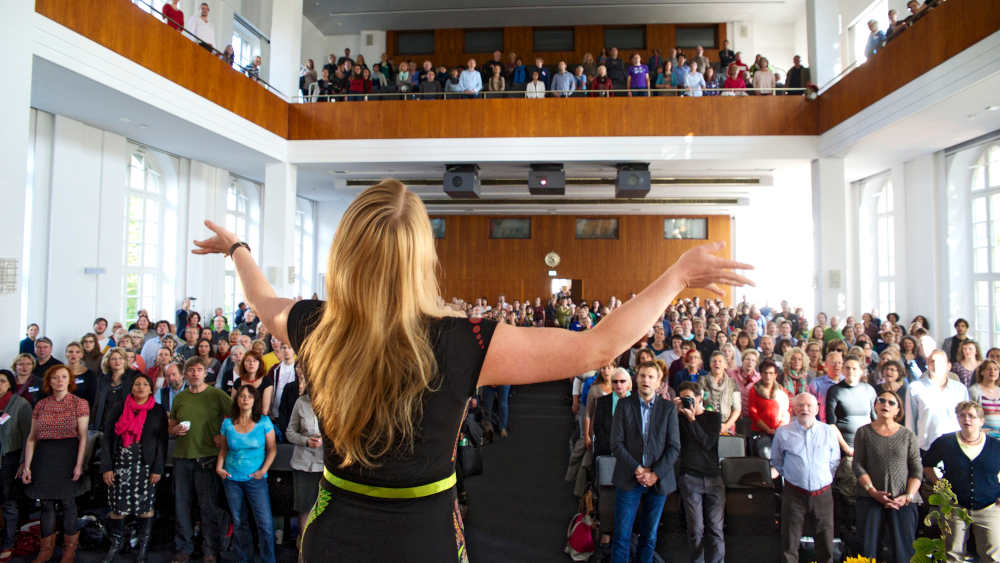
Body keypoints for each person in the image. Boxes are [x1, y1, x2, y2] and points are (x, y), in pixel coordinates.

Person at [190, 179, 751, 562]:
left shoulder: (317, 324)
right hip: (422, 537)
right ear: (421, 259)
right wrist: (677, 277)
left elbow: (262, 301)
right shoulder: (463, 340)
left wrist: (238, 249)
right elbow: (596, 348)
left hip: (333, 533)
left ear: (345, 255)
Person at [610, 361, 680, 563]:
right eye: (642, 376)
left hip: (658, 480)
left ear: (659, 382)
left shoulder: (668, 409)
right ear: (636, 379)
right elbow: (616, 444)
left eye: (651, 377)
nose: (646, 380)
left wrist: (655, 473)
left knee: (649, 537)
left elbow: (674, 447)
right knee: (621, 536)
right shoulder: (624, 405)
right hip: (629, 477)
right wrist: (638, 469)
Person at [22, 365, 89, 563]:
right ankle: (46, 550)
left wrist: (79, 464)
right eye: (55, 377)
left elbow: (83, 437)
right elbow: (31, 438)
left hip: (68, 455)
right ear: (49, 381)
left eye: (63, 377)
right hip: (44, 456)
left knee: (68, 503)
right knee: (46, 504)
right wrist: (27, 466)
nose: (59, 381)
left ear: (69, 380)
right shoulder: (41, 404)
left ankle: (69, 551)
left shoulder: (79, 403)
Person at [168, 357, 233, 563]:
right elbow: (171, 425)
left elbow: (235, 418)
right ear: (185, 374)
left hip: (208, 458)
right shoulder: (180, 398)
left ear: (205, 373)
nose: (195, 373)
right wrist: (174, 430)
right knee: (182, 507)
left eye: (199, 370)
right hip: (182, 458)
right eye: (191, 370)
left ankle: (210, 551)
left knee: (208, 507)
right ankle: (184, 549)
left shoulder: (217, 395)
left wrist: (223, 436)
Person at [99, 374, 168, 563]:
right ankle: (116, 544)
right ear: (131, 387)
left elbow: (161, 442)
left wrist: (158, 469)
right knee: (118, 507)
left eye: (145, 384)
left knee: (145, 507)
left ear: (151, 389)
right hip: (119, 464)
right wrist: (106, 467)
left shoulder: (157, 410)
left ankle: (143, 548)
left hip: (146, 466)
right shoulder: (118, 407)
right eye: (137, 384)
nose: (140, 387)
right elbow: (107, 438)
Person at [922, 401, 1000, 562]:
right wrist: (940, 486)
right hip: (955, 507)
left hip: (989, 507)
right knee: (953, 554)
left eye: (972, 416)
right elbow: (927, 464)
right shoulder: (945, 442)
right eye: (962, 415)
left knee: (993, 556)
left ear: (981, 421)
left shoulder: (995, 446)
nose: (967, 419)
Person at [852, 390, 921, 562]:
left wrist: (908, 496)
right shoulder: (863, 432)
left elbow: (916, 469)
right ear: (875, 405)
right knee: (867, 553)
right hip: (870, 499)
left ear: (898, 410)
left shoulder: (907, 435)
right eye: (881, 400)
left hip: (902, 501)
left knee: (903, 554)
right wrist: (873, 492)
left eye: (891, 403)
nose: (885, 405)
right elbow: (858, 465)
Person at [771, 393, 841, 563]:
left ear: (817, 409)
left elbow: (834, 461)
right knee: (790, 541)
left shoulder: (828, 432)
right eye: (800, 405)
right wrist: (796, 476)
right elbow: (777, 461)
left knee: (825, 541)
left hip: (823, 494)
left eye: (809, 405)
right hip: (794, 493)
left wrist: (821, 478)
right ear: (794, 409)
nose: (805, 409)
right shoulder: (783, 432)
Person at [217, 384, 277, 563]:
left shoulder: (264, 422)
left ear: (254, 400)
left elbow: (272, 449)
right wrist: (219, 468)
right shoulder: (228, 423)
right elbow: (223, 449)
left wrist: (263, 471)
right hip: (232, 479)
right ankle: (244, 559)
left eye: (249, 397)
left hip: (256, 480)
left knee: (265, 523)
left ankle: (268, 560)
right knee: (239, 522)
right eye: (242, 396)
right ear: (237, 399)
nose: (245, 399)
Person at [675, 381, 724, 563]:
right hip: (690, 477)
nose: (687, 402)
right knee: (695, 529)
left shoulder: (714, 417)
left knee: (715, 528)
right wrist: (673, 412)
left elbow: (707, 443)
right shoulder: (678, 419)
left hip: (713, 477)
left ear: (699, 397)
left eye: (689, 398)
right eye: (683, 399)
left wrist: (692, 420)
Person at [590, 368, 631, 556]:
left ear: (629, 384)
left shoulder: (637, 402)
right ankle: (606, 531)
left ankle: (625, 534)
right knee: (607, 497)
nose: (618, 385)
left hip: (631, 459)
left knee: (627, 498)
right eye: (615, 382)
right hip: (608, 455)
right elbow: (598, 429)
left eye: (622, 381)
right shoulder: (603, 402)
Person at [905, 349, 970, 452]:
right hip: (926, 447)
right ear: (927, 364)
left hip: (955, 446)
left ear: (948, 366)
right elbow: (910, 422)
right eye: (932, 361)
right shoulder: (915, 388)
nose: (936, 365)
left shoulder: (960, 389)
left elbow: (966, 418)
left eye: (940, 362)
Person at [0, 370, 32, 560]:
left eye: (2, 381)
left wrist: (23, 462)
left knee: (10, 503)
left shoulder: (21, 405)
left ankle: (9, 542)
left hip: (10, 460)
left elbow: (29, 436)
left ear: (10, 384)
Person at [285, 379, 323, 539]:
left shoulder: (333, 402)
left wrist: (325, 440)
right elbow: (290, 432)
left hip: (325, 464)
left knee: (325, 508)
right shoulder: (301, 402)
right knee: (304, 507)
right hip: (303, 463)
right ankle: (304, 545)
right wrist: (306, 441)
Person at [748, 360, 790, 458]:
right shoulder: (754, 390)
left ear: (775, 375)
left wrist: (778, 428)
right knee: (766, 455)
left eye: (771, 373)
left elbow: (786, 412)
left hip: (779, 431)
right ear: (761, 374)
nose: (768, 376)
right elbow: (753, 412)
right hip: (760, 432)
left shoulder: (782, 391)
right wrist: (767, 429)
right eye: (765, 373)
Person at [699, 351, 741, 434]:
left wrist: (726, 426)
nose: (717, 363)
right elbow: (698, 404)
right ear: (710, 364)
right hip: (706, 425)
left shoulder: (732, 383)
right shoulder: (702, 380)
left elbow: (737, 409)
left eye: (720, 361)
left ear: (726, 365)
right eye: (714, 361)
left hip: (727, 426)